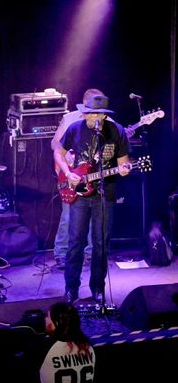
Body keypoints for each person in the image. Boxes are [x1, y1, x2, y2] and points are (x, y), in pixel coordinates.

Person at [54, 95, 130, 303]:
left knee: (100, 244)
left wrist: (124, 169)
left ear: (103, 116)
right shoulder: (75, 129)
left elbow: (123, 163)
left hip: (105, 194)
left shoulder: (116, 131)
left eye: (92, 114)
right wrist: (67, 173)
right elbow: (58, 153)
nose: (87, 116)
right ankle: (71, 288)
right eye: (86, 112)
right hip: (79, 192)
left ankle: (97, 288)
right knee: (75, 242)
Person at [50, 88, 115, 270]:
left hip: (96, 176)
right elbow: (55, 143)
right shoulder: (70, 119)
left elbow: (116, 144)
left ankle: (91, 254)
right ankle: (62, 253)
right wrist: (67, 155)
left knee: (96, 215)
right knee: (68, 215)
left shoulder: (108, 122)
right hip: (74, 173)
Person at [37, 302, 96, 383]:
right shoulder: (88, 347)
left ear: (57, 322)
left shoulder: (45, 347)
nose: (45, 319)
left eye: (47, 316)